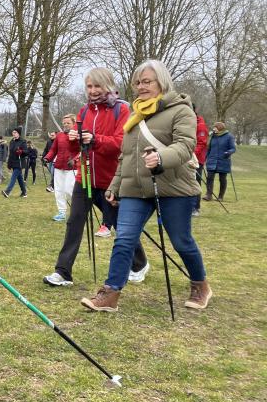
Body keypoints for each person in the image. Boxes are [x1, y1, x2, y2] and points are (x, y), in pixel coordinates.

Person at [81, 59, 212, 312]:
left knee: (181, 241)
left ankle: (200, 285)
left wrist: (161, 158)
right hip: (136, 189)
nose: (141, 86)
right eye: (138, 82)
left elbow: (185, 146)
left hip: (174, 188)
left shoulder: (181, 110)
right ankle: (110, 293)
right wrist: (115, 185)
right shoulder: (134, 114)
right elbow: (126, 155)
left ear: (161, 82)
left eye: (147, 81)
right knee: (124, 239)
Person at [43, 67, 149, 287]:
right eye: (89, 86)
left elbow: (122, 142)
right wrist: (74, 139)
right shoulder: (84, 111)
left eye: (97, 86)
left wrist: (94, 139)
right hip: (85, 177)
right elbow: (78, 147)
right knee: (74, 223)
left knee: (121, 225)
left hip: (111, 179)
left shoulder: (122, 110)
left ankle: (139, 263)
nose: (92, 90)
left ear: (108, 85)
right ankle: (63, 272)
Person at [44, 114, 78, 222]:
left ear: (74, 123)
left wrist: (75, 160)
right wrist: (47, 158)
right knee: (58, 191)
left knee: (69, 189)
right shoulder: (59, 136)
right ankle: (62, 212)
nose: (66, 125)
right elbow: (53, 150)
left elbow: (83, 151)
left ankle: (76, 211)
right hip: (59, 167)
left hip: (72, 168)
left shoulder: (78, 135)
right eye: (64, 123)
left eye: (68, 123)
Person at [204, 121, 235, 201]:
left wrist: (228, 152)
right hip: (212, 160)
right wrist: (204, 158)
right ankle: (208, 195)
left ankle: (220, 197)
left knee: (222, 179)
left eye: (215, 127)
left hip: (223, 160)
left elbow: (233, 148)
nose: (214, 129)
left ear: (220, 128)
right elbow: (208, 149)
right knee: (209, 178)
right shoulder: (212, 136)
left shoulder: (229, 136)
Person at [2, 127, 27, 198]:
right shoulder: (12, 141)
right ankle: (24, 192)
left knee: (13, 177)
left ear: (18, 133)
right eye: (13, 132)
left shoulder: (23, 141)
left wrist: (21, 152)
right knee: (20, 178)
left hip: (19, 162)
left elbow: (26, 152)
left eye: (15, 132)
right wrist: (9, 164)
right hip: (13, 162)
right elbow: (11, 153)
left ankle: (7, 191)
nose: (13, 134)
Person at [192, 107, 208, 216]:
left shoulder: (200, 125)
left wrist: (192, 155)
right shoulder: (186, 122)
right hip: (185, 158)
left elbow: (202, 143)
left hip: (196, 159)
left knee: (196, 183)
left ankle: (195, 208)